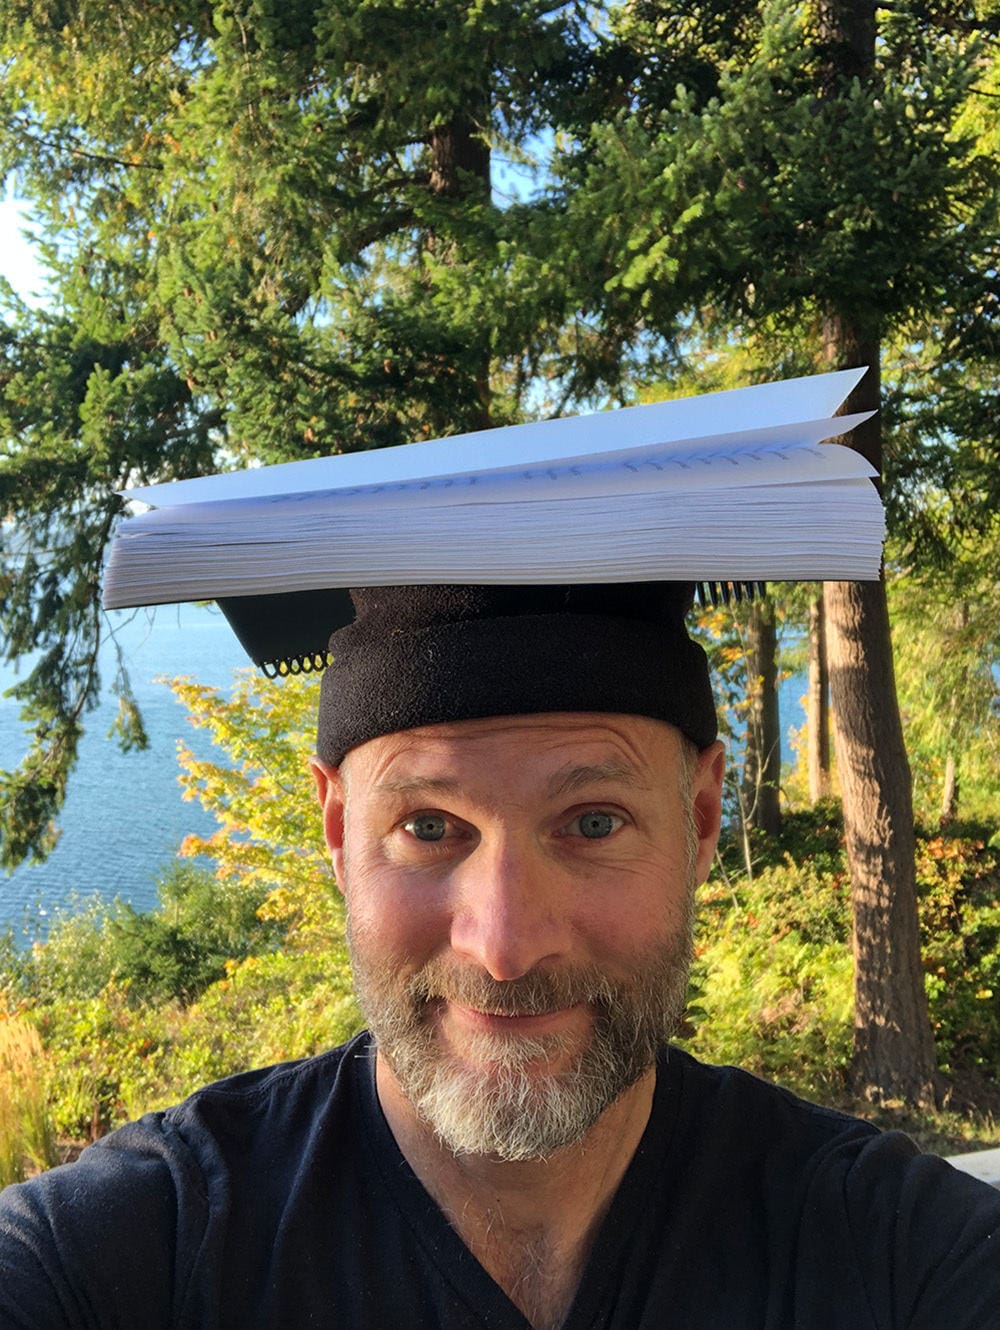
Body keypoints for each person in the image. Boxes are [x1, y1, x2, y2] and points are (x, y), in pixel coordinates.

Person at [1, 582, 999, 1330]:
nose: (507, 944)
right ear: (338, 831)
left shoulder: (897, 1257)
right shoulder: (135, 1254)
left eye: (594, 820)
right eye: (430, 826)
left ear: (699, 821)